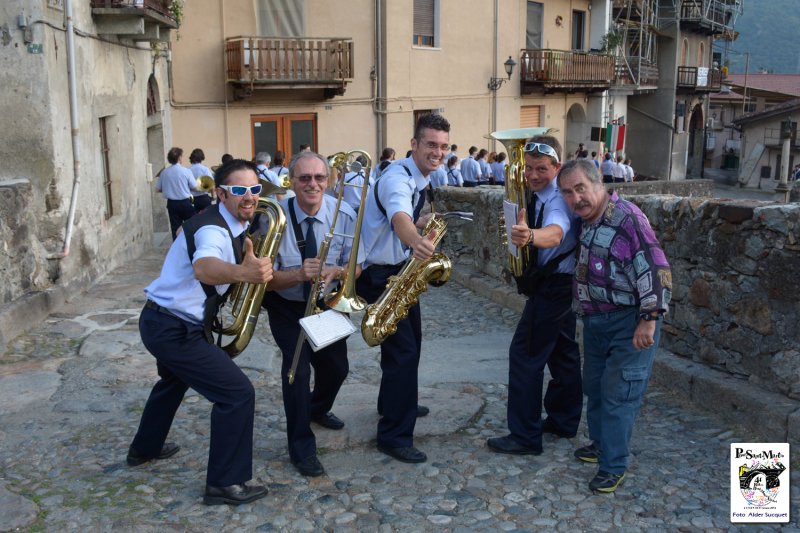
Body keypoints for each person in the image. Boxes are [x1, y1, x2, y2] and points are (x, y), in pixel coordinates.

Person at [129, 159, 274, 506]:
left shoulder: (229, 225)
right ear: (221, 194)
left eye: (254, 189)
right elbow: (205, 268)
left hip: (165, 322)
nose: (249, 197)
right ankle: (225, 484)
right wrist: (244, 273)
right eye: (239, 190)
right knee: (237, 394)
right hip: (173, 328)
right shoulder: (213, 230)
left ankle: (144, 450)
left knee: (172, 382)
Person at [557, 159, 672, 493]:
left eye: (581, 188)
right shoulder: (587, 221)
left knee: (620, 394)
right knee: (594, 386)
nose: (576, 198)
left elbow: (656, 269)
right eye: (568, 192)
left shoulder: (627, 219)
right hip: (596, 321)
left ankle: (614, 465)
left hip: (629, 322)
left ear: (599, 184)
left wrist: (648, 320)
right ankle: (600, 444)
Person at [262, 151, 365, 478]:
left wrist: (338, 272)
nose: (313, 184)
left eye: (320, 178)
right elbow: (266, 279)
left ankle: (315, 409)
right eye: (304, 178)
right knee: (297, 372)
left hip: (326, 303)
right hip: (286, 304)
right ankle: (301, 448)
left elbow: (357, 265)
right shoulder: (273, 219)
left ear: (329, 180)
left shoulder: (345, 213)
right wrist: (298, 274)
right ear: (292, 181)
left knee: (337, 368)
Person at [355, 113, 450, 464]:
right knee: (403, 352)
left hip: (396, 268)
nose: (437, 152)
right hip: (381, 272)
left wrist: (421, 222)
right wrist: (416, 241)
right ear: (414, 144)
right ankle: (394, 435)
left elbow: (400, 215)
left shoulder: (417, 177)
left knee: (410, 343)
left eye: (443, 146)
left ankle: (396, 401)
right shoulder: (397, 178)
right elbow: (397, 216)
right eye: (430, 144)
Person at [486, 136, 582, 458]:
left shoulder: (556, 200)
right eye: (528, 168)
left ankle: (525, 436)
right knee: (563, 354)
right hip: (558, 285)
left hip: (554, 287)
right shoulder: (538, 194)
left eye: (542, 168)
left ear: (557, 167)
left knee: (525, 356)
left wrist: (529, 237)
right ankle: (564, 420)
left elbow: (556, 232)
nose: (533, 174)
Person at [156, 147, 199, 240]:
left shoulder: (164, 172)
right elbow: (195, 187)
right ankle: (191, 245)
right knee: (191, 225)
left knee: (175, 227)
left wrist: (169, 189)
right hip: (185, 202)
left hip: (172, 203)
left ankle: (177, 248)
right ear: (179, 158)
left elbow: (158, 189)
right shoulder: (186, 171)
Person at [189, 148, 214, 213]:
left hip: (192, 199)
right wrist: (213, 195)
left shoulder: (188, 170)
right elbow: (211, 183)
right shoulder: (205, 169)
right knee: (207, 219)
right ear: (202, 157)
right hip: (204, 198)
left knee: (194, 220)